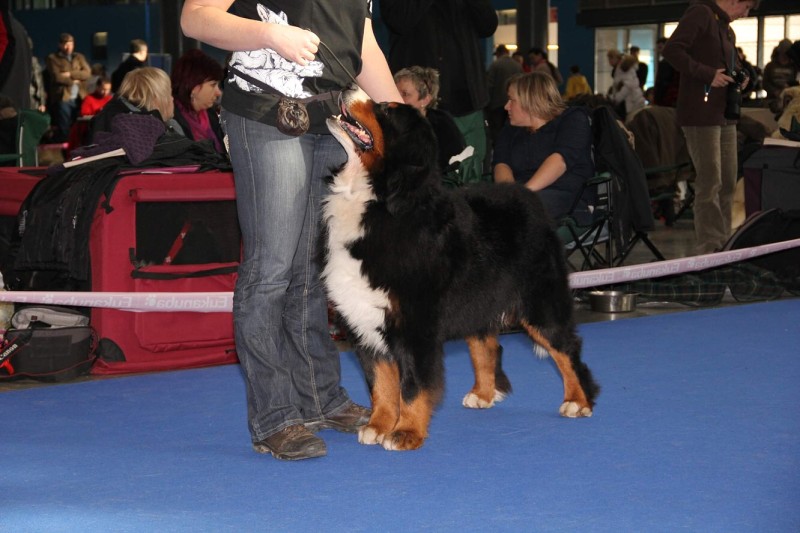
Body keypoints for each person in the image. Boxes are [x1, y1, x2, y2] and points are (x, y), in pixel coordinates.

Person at [180, 0, 402, 461]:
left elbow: (363, 44)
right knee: (271, 269)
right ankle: (275, 416)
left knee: (312, 267)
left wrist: (397, 121)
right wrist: (271, 35)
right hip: (266, 112)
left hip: (333, 119)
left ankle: (321, 399)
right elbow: (195, 17)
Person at [662, 0, 758, 255]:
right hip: (700, 114)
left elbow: (726, 66)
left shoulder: (726, 28)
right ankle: (709, 248)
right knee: (710, 181)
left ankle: (724, 243)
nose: (745, 14)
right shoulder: (700, 13)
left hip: (724, 114)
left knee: (727, 181)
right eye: (746, 7)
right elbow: (672, 50)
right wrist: (707, 74)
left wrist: (741, 74)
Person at [381, 0, 498, 184]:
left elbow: (488, 26)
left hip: (466, 101)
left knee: (472, 177)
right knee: (416, 179)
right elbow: (398, 20)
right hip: (417, 107)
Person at [492, 72, 595, 225]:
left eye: (511, 100)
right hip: (520, 197)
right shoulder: (510, 130)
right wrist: (511, 194)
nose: (506, 106)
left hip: (568, 198)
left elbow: (559, 161)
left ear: (531, 101)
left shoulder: (572, 119)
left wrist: (523, 195)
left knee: (524, 211)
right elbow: (501, 164)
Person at [394, 66, 466, 175]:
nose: (396, 98)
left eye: (405, 94)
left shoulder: (441, 125)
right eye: (395, 92)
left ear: (425, 100)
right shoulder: (389, 121)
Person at [89, 67, 175, 142]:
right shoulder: (146, 132)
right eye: (169, 93)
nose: (172, 99)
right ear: (157, 98)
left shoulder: (108, 117)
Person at [170, 49, 225, 153]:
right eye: (213, 85)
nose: (219, 92)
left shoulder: (212, 116)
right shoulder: (170, 120)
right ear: (194, 86)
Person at [45, 33, 91, 142]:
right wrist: (75, 79)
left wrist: (70, 74)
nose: (68, 47)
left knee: (79, 126)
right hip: (64, 97)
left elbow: (87, 73)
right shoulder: (52, 58)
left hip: (80, 96)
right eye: (65, 44)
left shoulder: (79, 57)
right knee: (64, 127)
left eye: (70, 44)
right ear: (60, 45)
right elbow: (57, 77)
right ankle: (65, 153)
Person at [485, 44, 522, 145]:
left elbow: (489, 86)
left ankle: (500, 149)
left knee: (497, 131)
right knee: (513, 129)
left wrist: (487, 104)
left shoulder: (495, 65)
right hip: (515, 103)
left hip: (497, 104)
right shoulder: (517, 65)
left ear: (498, 53)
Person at [762, 39, 798, 108]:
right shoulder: (770, 66)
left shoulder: (794, 66)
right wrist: (775, 91)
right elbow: (765, 83)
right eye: (783, 51)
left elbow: (796, 83)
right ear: (779, 51)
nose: (785, 54)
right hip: (772, 100)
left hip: (789, 100)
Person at [610, 54, 647, 120]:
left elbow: (627, 87)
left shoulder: (623, 70)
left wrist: (616, 98)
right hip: (635, 101)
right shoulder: (631, 70)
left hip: (632, 104)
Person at [654, 37, 680, 107]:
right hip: (673, 97)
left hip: (666, 98)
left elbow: (663, 82)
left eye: (660, 48)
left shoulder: (665, 62)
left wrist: (657, 98)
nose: (659, 51)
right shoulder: (676, 61)